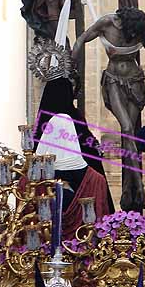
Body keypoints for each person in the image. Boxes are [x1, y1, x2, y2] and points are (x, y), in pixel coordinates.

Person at [72, 6, 145, 212]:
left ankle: (131, 190)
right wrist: (72, 68)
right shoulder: (106, 22)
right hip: (114, 81)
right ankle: (138, 185)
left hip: (135, 82)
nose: (132, 37)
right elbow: (81, 39)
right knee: (128, 129)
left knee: (127, 132)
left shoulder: (138, 29)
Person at [33, 77, 114, 213]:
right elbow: (88, 147)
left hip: (46, 179)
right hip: (79, 178)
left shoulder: (44, 118)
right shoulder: (73, 116)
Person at [34, 112, 111, 238]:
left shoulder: (32, 180)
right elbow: (102, 222)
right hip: (83, 246)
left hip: (40, 250)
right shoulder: (95, 180)